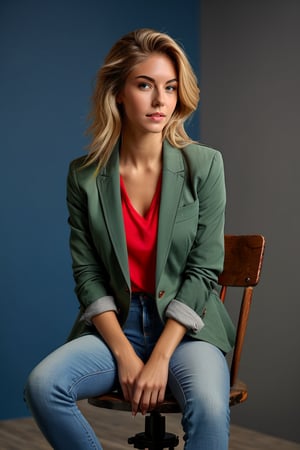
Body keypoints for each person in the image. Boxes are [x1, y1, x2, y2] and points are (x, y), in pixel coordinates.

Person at [24, 28, 235, 450]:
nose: (161, 100)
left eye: (170, 87)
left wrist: (159, 357)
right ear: (118, 92)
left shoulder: (205, 165)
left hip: (187, 329)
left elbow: (204, 268)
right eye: (145, 85)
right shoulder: (84, 176)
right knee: (43, 385)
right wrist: (123, 351)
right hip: (118, 325)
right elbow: (87, 274)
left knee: (211, 407)